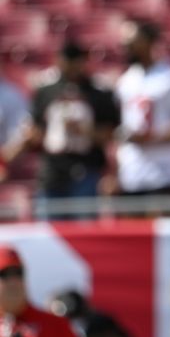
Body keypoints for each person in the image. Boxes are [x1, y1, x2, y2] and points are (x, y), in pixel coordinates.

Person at [25, 42, 120, 215]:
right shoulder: (47, 91)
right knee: (48, 233)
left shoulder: (99, 92)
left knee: (84, 233)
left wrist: (85, 131)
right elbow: (36, 129)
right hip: (52, 171)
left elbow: (111, 134)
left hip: (86, 168)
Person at [111, 20, 170, 200]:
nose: (127, 47)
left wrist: (153, 138)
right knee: (132, 227)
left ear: (148, 42)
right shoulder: (125, 81)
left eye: (132, 42)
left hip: (164, 171)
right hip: (132, 170)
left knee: (163, 224)